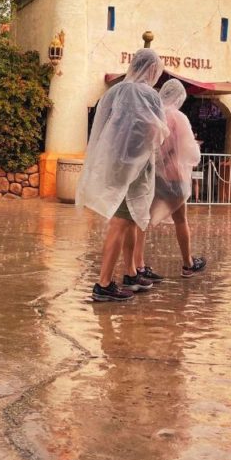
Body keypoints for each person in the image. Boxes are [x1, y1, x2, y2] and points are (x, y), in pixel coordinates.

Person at [77, 48, 167, 302]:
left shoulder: (115, 91)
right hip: (135, 168)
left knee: (128, 220)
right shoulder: (149, 95)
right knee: (120, 223)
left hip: (115, 164)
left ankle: (129, 272)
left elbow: (107, 126)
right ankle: (103, 283)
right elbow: (156, 130)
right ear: (151, 70)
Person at [132, 79, 207, 281]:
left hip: (154, 178)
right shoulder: (178, 118)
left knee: (143, 221)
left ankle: (137, 264)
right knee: (181, 220)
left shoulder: (154, 115)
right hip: (175, 178)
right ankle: (188, 264)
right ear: (179, 97)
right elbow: (190, 151)